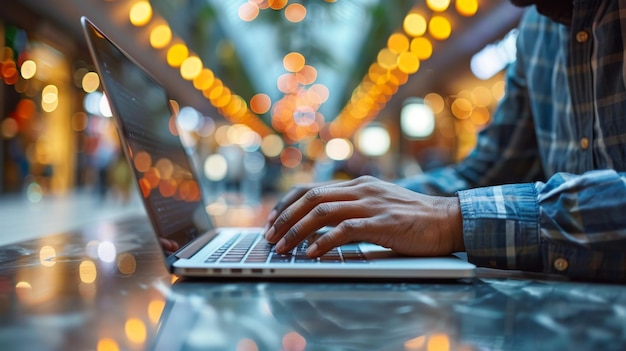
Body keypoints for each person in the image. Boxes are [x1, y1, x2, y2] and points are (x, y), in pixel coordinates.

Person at [263, 1, 626, 283]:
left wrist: (454, 219)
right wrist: (359, 202)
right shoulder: (537, 27)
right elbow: (486, 171)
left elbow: (456, 206)